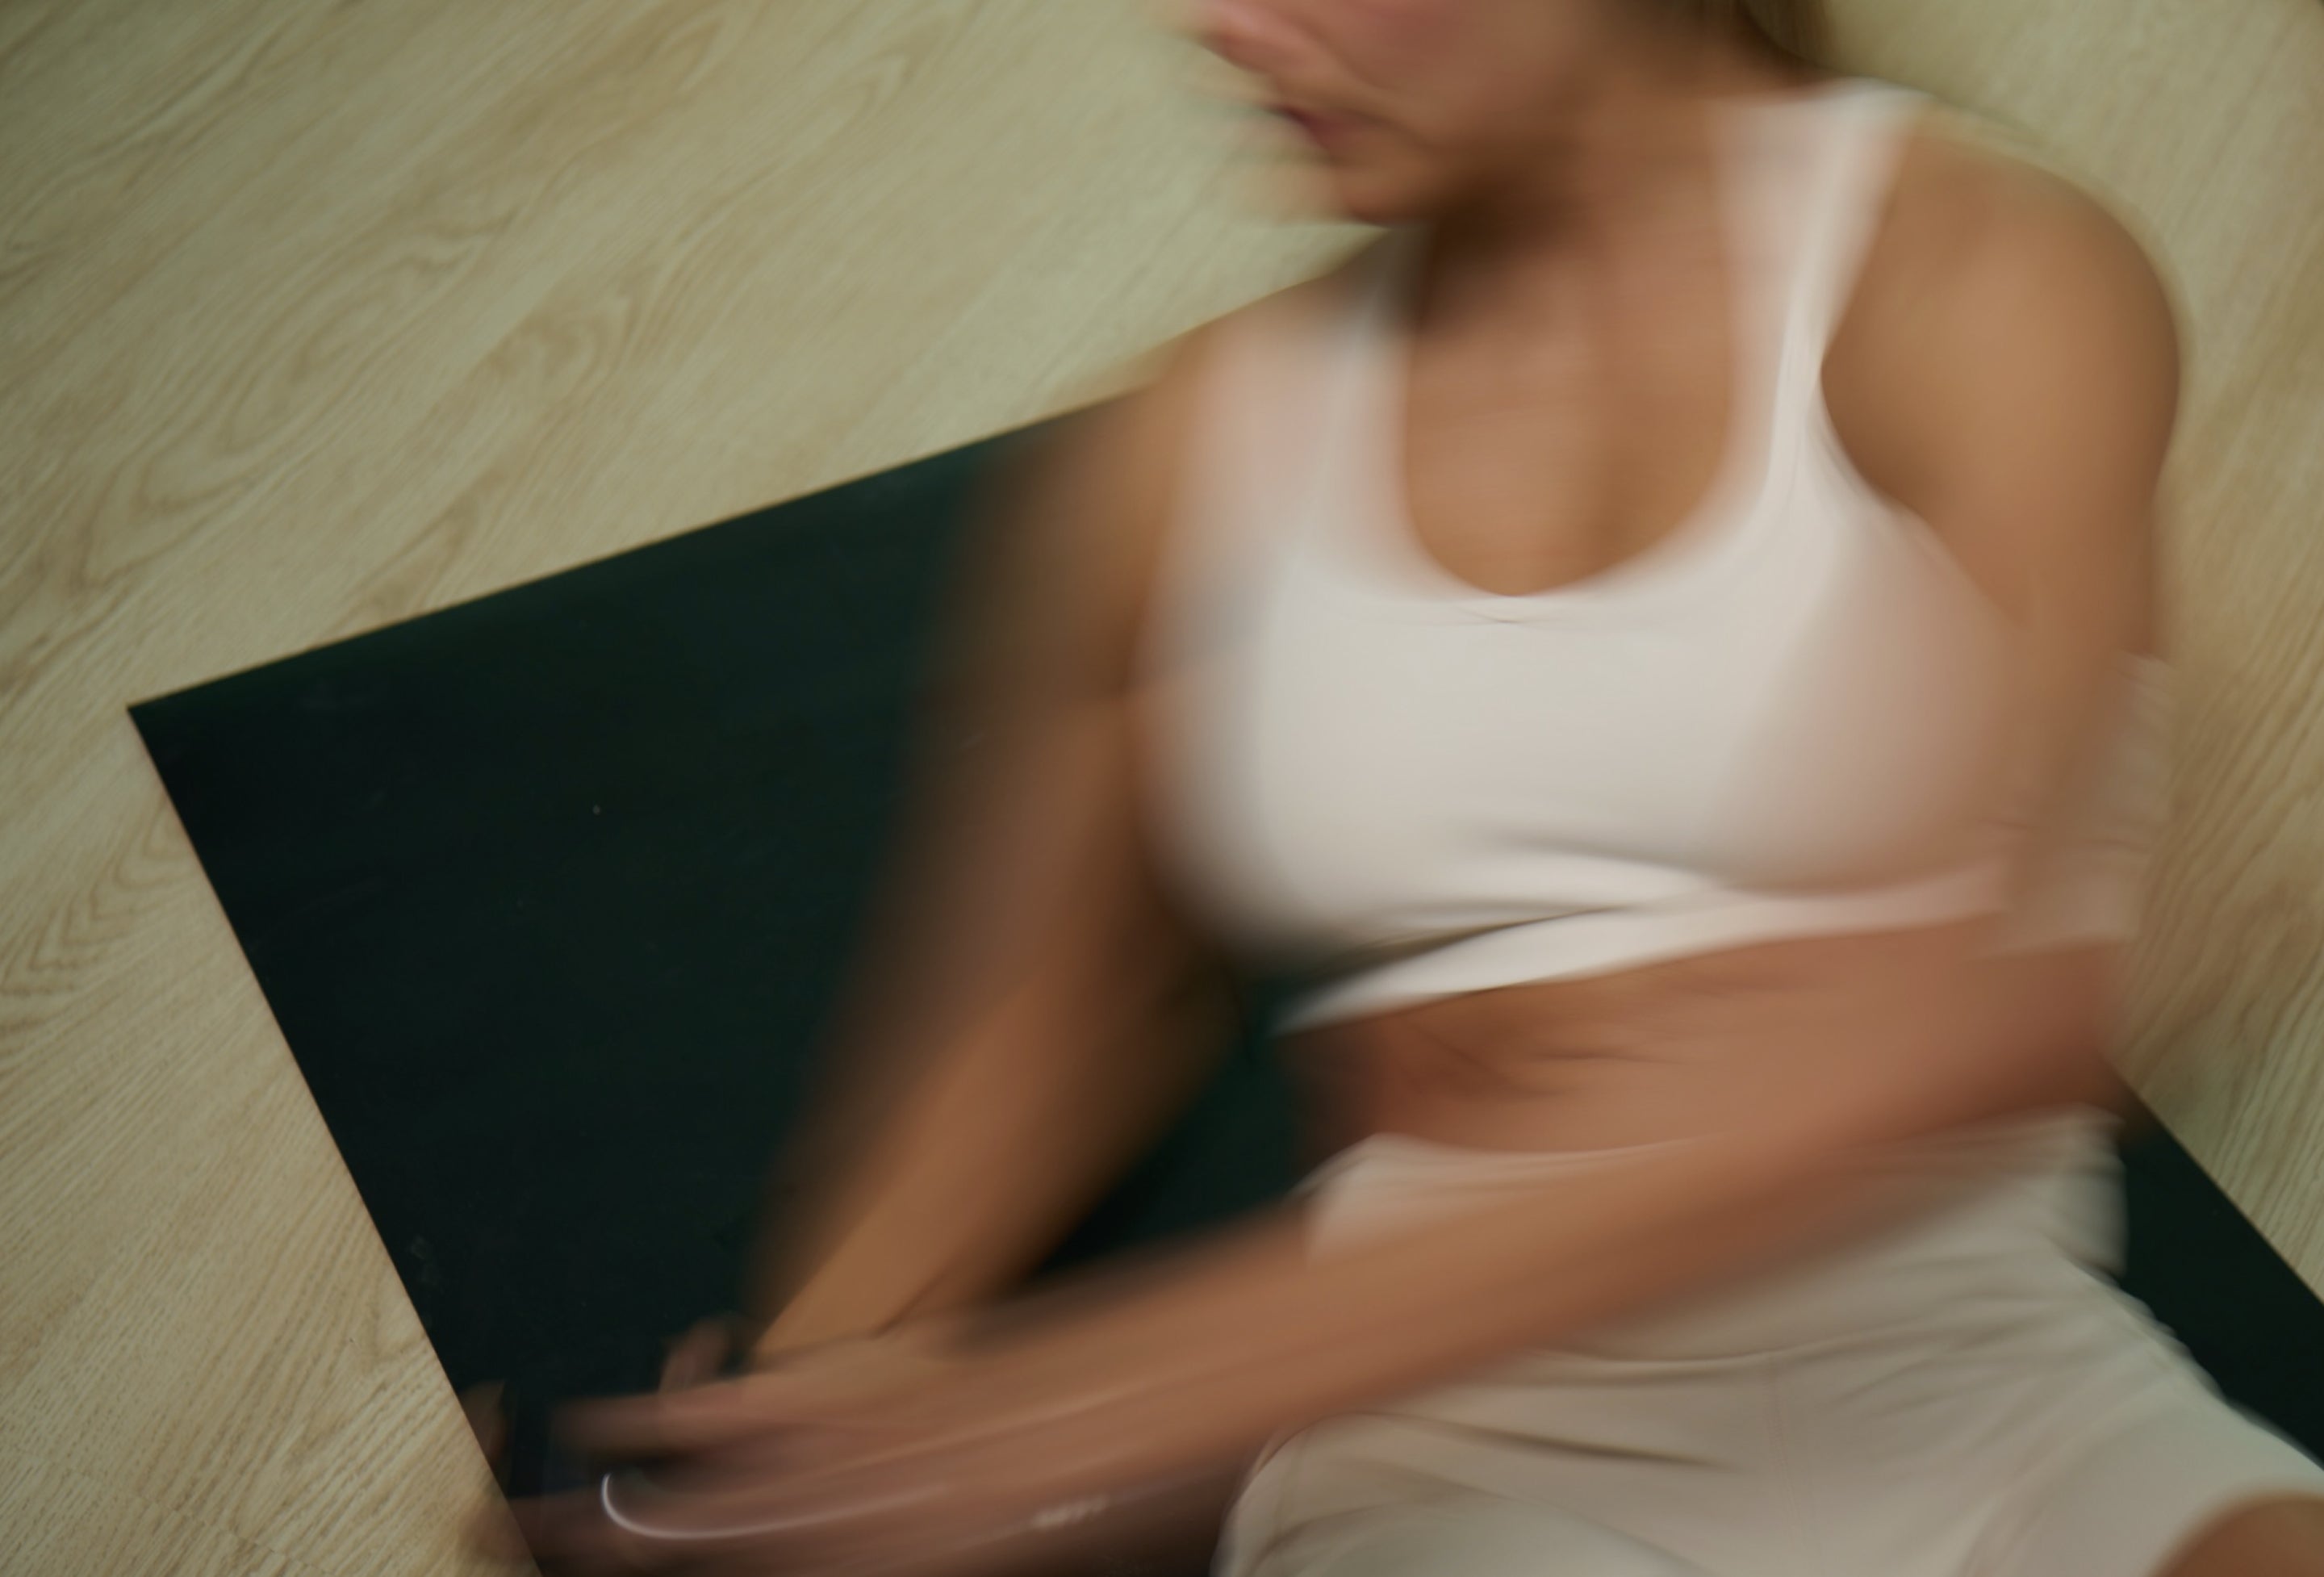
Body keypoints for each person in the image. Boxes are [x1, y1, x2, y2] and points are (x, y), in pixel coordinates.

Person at [498, 2, 2324, 1573]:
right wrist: (805, 1421)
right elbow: (1047, 1019)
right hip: (1455, 1452)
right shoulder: (1185, 440)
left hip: (1986, 1378)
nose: (1219, 18)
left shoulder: (1978, 269)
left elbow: (1976, 1011)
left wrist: (1083, 1417)